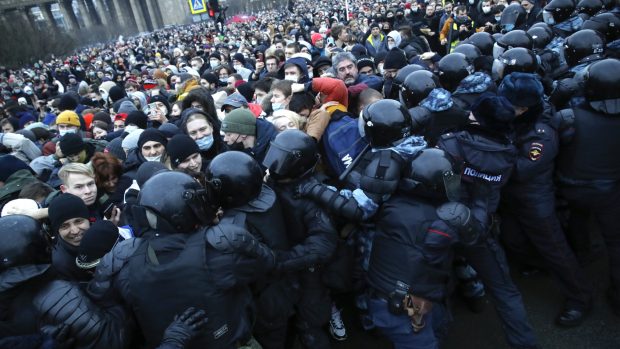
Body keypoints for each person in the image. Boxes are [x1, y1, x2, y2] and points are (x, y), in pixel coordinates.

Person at [88, 171, 275, 349]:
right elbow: (266, 262)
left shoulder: (124, 257)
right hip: (228, 340)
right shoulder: (221, 243)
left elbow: (104, 306)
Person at [498, 72, 593, 327]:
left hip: (534, 198)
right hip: (511, 197)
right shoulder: (517, 117)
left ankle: (580, 298)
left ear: (523, 107)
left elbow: (521, 169)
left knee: (556, 251)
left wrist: (490, 157)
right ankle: (536, 263)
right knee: (512, 239)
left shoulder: (542, 133)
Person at [367, 148, 481, 349]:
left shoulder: (390, 204)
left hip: (385, 296)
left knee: (437, 323)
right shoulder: (442, 222)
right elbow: (474, 239)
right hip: (406, 305)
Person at [555, 59, 620, 317]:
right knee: (615, 242)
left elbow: (548, 133)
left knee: (577, 221)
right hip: (609, 191)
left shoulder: (570, 117)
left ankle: (582, 255)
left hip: (571, 187)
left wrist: (559, 96)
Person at [263, 130, 338, 348]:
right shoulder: (272, 182)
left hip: (306, 271)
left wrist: (281, 260)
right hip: (281, 267)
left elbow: (323, 243)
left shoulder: (312, 194)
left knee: (311, 324)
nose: (275, 163)